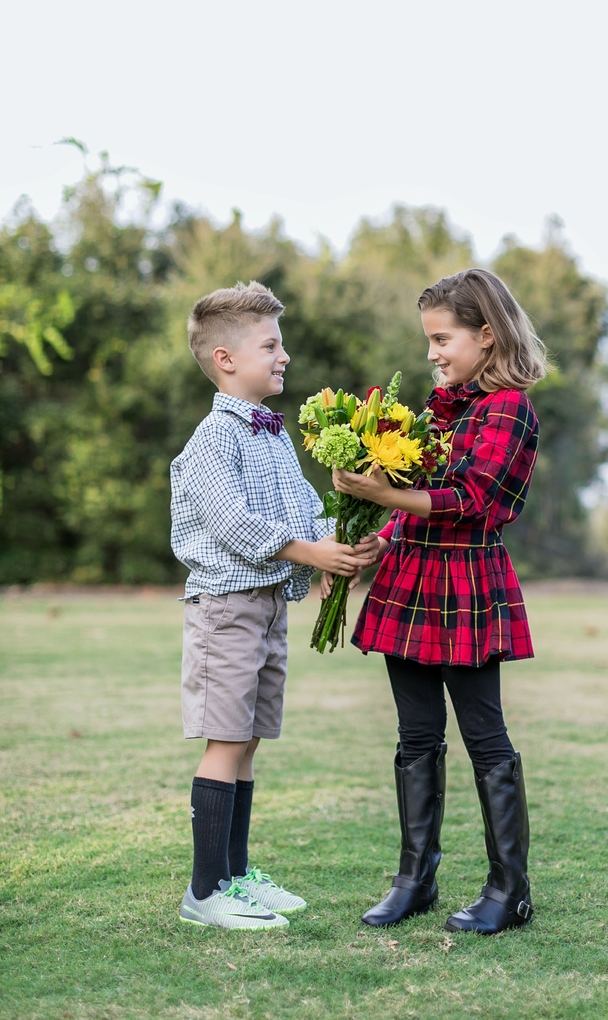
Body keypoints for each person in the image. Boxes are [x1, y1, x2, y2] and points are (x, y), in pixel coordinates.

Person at [331, 268, 547, 935]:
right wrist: (381, 538)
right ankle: (414, 879)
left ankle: (510, 890)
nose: (432, 353)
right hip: (410, 581)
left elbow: (475, 502)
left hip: (466, 587)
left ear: (487, 334)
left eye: (442, 338)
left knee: (486, 740)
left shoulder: (510, 409)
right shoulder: (440, 410)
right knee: (415, 737)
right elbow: (419, 498)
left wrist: (382, 498)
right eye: (428, 340)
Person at [170, 281, 378, 931]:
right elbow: (233, 522)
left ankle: (234, 875)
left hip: (266, 606)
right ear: (226, 359)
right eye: (271, 345)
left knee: (250, 739)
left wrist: (334, 544)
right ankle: (205, 893)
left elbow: (299, 506)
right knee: (225, 740)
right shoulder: (214, 438)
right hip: (226, 608)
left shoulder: (274, 436)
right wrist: (309, 554)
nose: (284, 355)